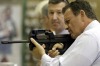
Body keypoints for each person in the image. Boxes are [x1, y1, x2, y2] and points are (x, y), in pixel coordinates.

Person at [30, 0, 100, 66]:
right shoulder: (95, 32)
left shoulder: (89, 36)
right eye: (51, 13)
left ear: (82, 14)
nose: (66, 26)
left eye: (68, 21)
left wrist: (42, 55)